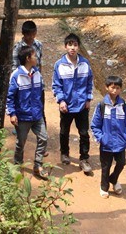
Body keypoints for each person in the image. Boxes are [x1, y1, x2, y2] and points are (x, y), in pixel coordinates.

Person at [52, 33, 94, 175]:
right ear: (65, 47)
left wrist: (88, 99)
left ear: (78, 47)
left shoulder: (85, 64)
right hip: (67, 106)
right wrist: (61, 101)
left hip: (82, 105)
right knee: (64, 131)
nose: (72, 48)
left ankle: (84, 159)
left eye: (75, 45)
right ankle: (64, 153)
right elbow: (56, 85)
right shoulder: (59, 65)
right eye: (70, 44)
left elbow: (89, 82)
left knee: (84, 133)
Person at [7, 45, 49, 179]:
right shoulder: (16, 75)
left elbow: (40, 94)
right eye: (34, 55)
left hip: (37, 115)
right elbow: (10, 97)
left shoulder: (37, 74)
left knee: (43, 137)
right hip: (23, 116)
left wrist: (41, 110)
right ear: (27, 58)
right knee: (21, 142)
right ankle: (18, 164)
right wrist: (12, 114)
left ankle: (38, 165)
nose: (37, 58)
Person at [91, 76, 126, 198]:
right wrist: (101, 138)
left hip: (120, 143)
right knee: (106, 166)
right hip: (106, 143)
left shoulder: (123, 105)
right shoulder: (102, 105)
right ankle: (104, 187)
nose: (114, 91)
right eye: (112, 87)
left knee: (121, 163)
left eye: (117, 88)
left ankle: (113, 179)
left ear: (120, 89)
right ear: (107, 87)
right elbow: (95, 125)